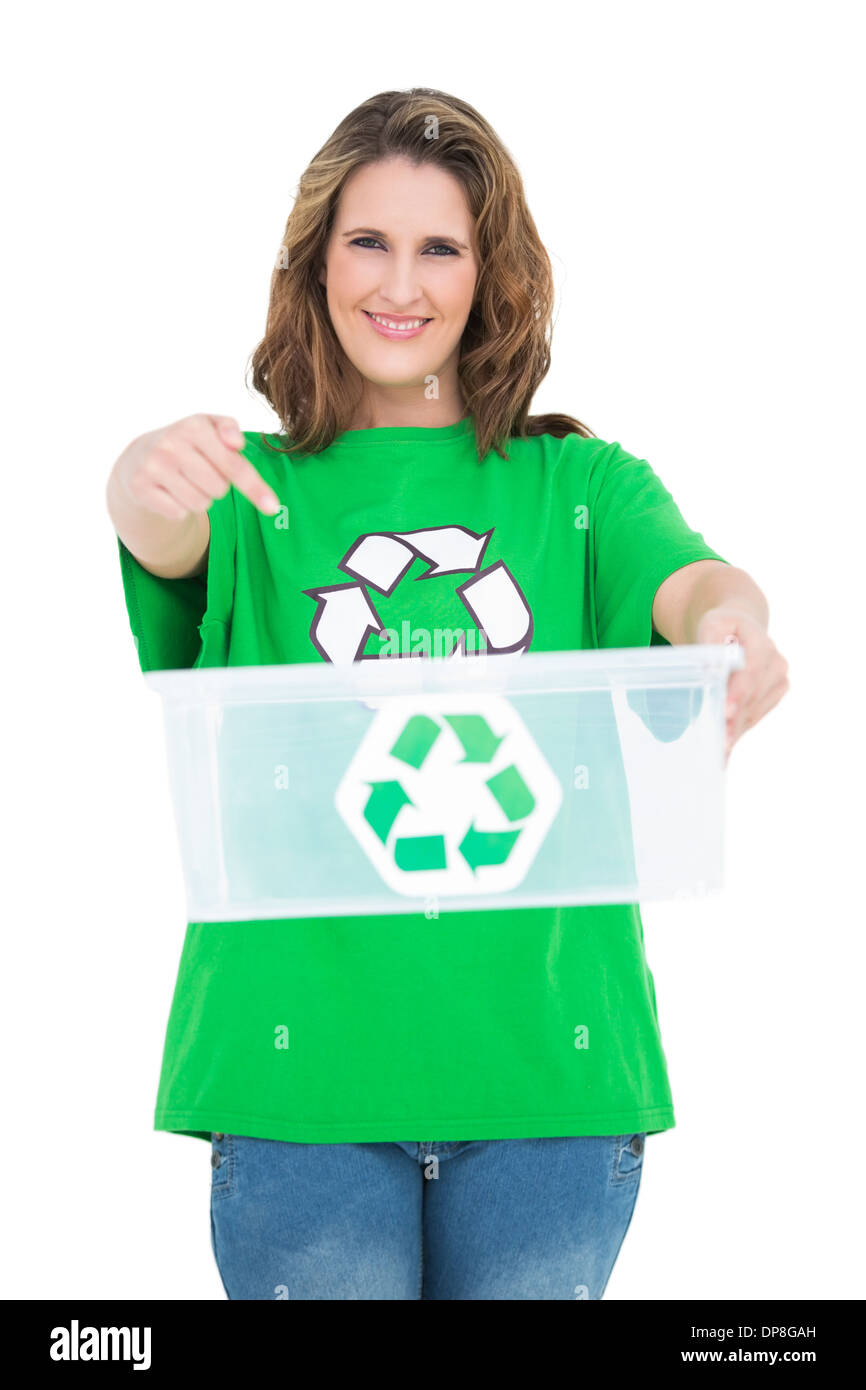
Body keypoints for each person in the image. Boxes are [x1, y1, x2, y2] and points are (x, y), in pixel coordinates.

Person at [106, 88, 790, 1301]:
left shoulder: (577, 482)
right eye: (368, 240)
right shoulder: (247, 491)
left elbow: (690, 580)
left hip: (549, 1086)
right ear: (315, 261)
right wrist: (139, 472)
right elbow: (155, 525)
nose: (400, 283)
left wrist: (733, 628)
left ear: (489, 274)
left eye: (440, 248)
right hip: (296, 1085)